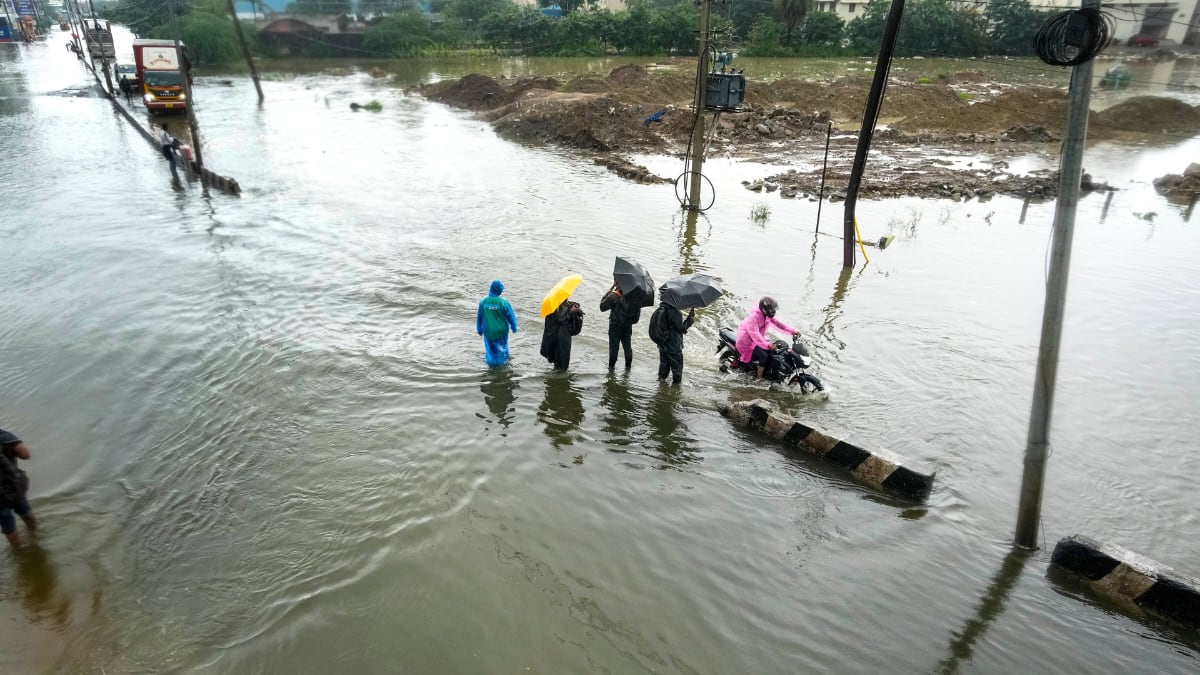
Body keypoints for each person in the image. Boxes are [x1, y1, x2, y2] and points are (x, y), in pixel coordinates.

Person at [735, 296, 800, 380]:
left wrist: (793, 331)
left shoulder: (766, 315)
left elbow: (779, 324)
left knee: (778, 349)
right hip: (746, 341)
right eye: (771, 310)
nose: (773, 311)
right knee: (764, 356)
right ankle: (758, 378)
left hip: (758, 339)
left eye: (774, 309)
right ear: (764, 309)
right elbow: (755, 334)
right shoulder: (753, 318)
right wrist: (768, 345)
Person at [0, 428, 37, 546]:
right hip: (14, 486)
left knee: (8, 524)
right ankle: (35, 538)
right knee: (26, 513)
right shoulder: (4, 436)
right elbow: (26, 455)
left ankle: (18, 552)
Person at [600, 281, 641, 370]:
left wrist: (610, 289)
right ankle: (628, 368)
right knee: (627, 348)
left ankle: (611, 369)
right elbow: (636, 319)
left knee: (614, 348)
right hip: (627, 326)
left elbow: (602, 307)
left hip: (615, 325)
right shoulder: (635, 297)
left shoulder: (614, 295)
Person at [476, 279, 518, 367]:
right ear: (499, 289)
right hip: (501, 330)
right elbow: (510, 316)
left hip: (488, 330)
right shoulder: (504, 302)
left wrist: (479, 328)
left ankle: (492, 363)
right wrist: (514, 326)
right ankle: (503, 362)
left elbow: (480, 316)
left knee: (490, 347)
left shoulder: (483, 302)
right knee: (502, 346)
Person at [655, 300, 694, 384]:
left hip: (662, 344)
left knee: (663, 366)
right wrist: (690, 319)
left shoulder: (661, 309)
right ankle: (675, 390)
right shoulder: (676, 312)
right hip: (673, 346)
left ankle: (661, 386)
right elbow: (681, 329)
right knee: (677, 370)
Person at [540, 299, 583, 371]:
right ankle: (559, 377)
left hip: (556, 338)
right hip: (561, 339)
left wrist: (573, 308)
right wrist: (571, 312)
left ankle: (556, 373)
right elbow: (560, 320)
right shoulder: (555, 307)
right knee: (562, 364)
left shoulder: (553, 304)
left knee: (558, 363)